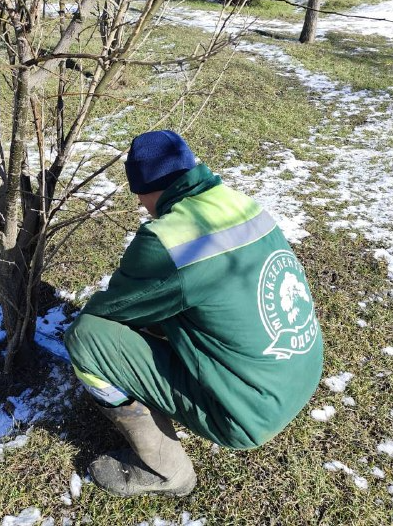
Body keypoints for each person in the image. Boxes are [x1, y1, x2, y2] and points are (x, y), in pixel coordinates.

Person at [63, 130, 323, 497]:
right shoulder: (241, 204)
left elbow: (111, 311)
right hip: (300, 374)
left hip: (247, 414)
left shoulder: (169, 240)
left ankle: (164, 471)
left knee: (87, 339)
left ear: (145, 189)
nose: (141, 205)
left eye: (139, 195)